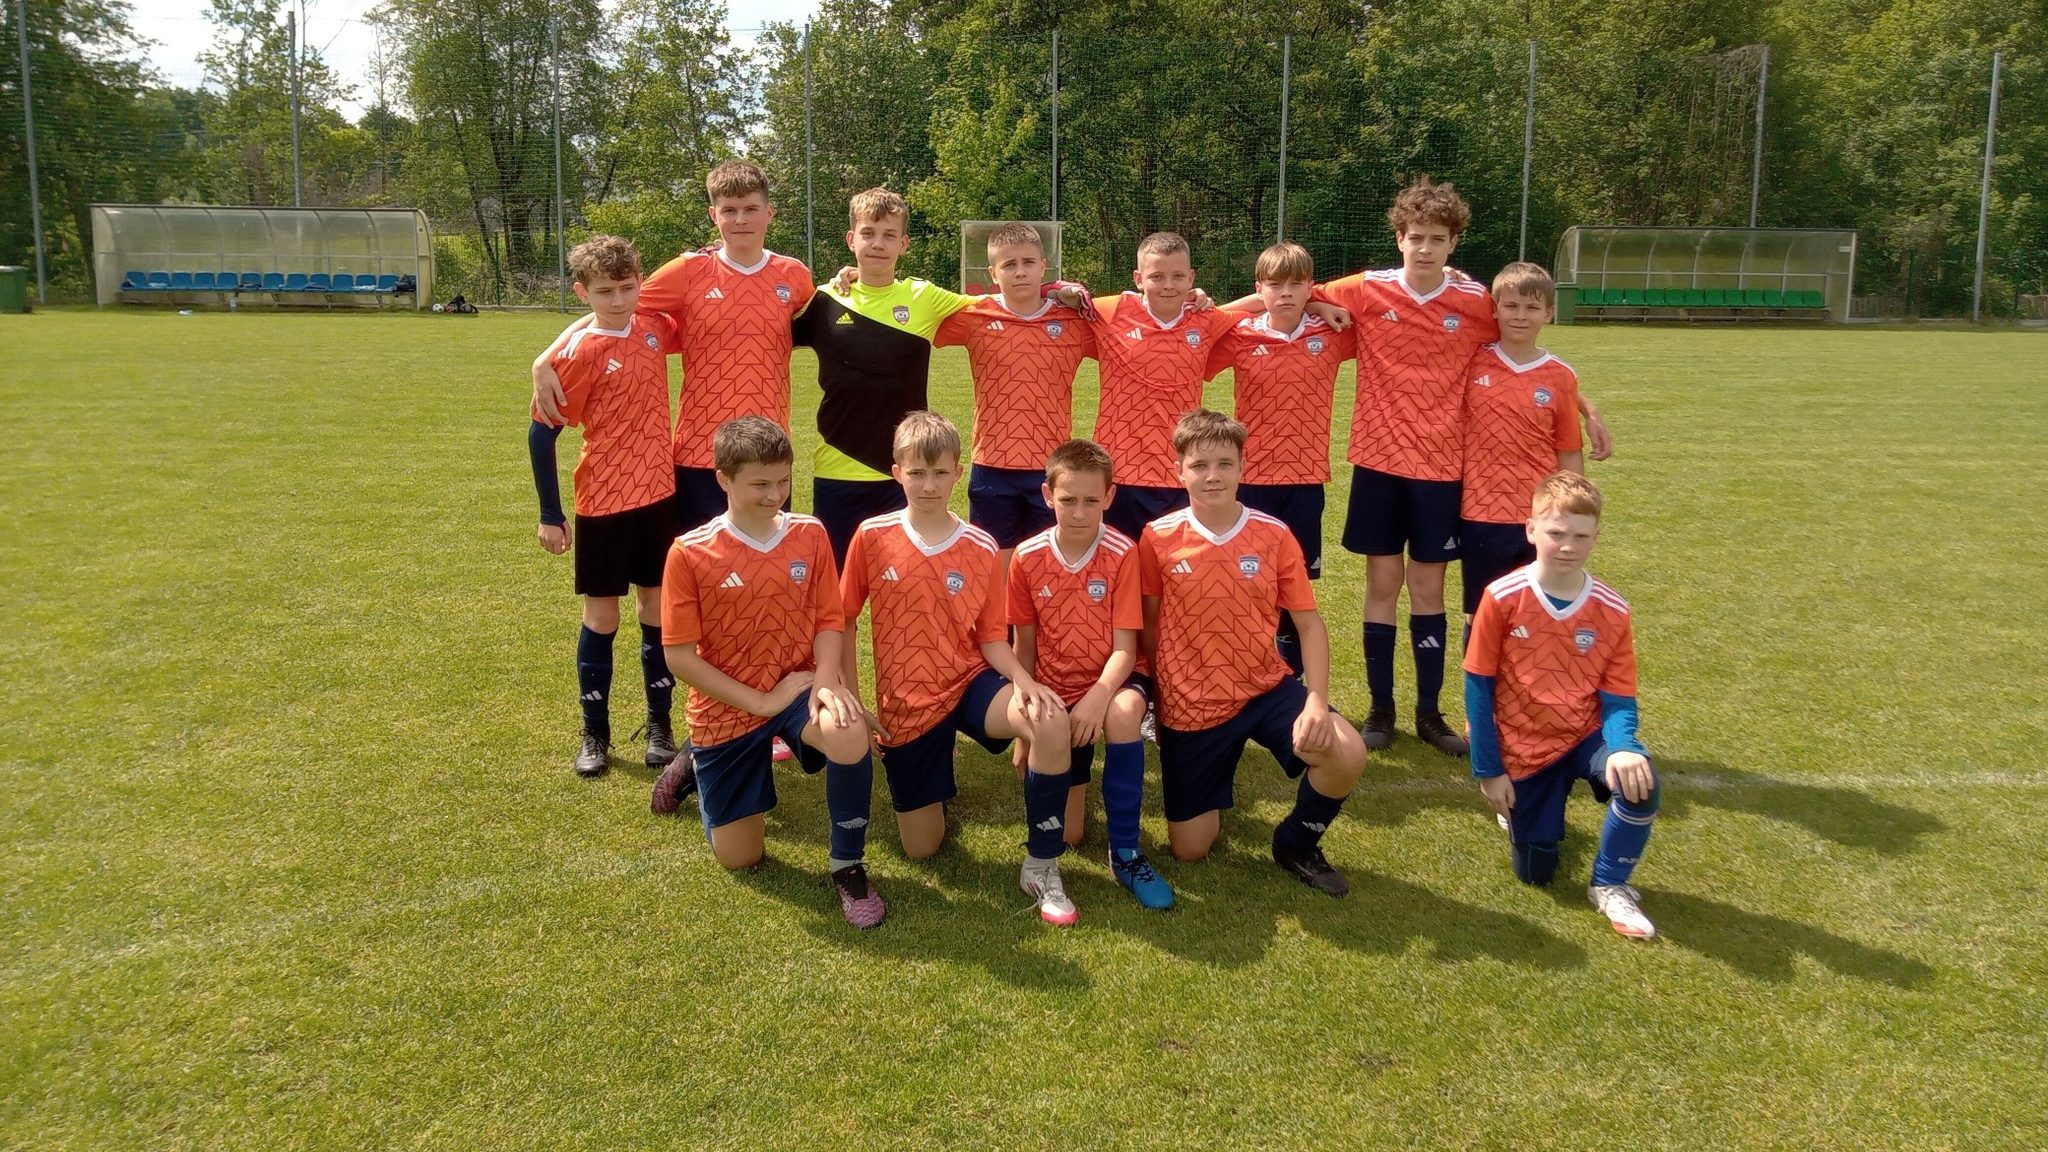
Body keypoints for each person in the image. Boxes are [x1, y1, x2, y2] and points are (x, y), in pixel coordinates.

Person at [1291, 178, 1610, 756]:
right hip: (1378, 463)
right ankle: (1381, 709)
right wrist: (1318, 304)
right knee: (1382, 584)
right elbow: (1289, 291)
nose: (1425, 248)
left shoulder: (1474, 301)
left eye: (1437, 239)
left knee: (1428, 587)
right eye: (1416, 237)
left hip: (1441, 470)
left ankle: (1431, 712)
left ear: (1453, 243)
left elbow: (1527, 356)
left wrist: (1585, 409)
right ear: (1399, 238)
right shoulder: (1367, 289)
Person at [839, 412, 1080, 924]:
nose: (929, 485)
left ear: (958, 472)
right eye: (917, 473)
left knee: (1049, 718)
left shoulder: (981, 546)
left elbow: (991, 638)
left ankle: (1041, 863)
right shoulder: (872, 536)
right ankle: (932, 778)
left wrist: (1025, 681)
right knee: (922, 848)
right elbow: (843, 619)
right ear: (896, 472)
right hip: (907, 706)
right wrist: (853, 699)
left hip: (969, 682)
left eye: (940, 473)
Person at [651, 418, 885, 929]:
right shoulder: (690, 553)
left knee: (848, 730)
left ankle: (847, 865)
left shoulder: (810, 534)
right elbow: (680, 657)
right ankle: (693, 763)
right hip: (729, 706)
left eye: (783, 480)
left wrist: (825, 681)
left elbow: (829, 620)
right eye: (760, 483)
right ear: (723, 479)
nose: (775, 494)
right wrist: (760, 702)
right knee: (741, 857)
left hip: (798, 687)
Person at [1139, 410, 1369, 895]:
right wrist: (1160, 700)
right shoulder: (1157, 538)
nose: (1213, 476)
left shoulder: (1273, 534)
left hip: (1263, 688)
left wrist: (1315, 699)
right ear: (1179, 470)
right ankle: (1212, 782)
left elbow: (1309, 624)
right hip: (1192, 705)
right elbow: (1151, 625)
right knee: (1191, 848)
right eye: (1200, 465)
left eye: (1225, 463)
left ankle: (1296, 842)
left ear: (1243, 466)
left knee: (1346, 751)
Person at [532, 160, 816, 535]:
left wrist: (852, 276)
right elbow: (615, 308)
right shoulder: (687, 271)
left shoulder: (794, 275)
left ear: (769, 212)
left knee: (764, 558)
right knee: (698, 560)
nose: (740, 219)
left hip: (770, 451)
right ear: (713, 215)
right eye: (729, 210)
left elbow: (829, 316)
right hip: (700, 451)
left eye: (750, 209)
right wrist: (546, 357)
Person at [1465, 471, 1659, 938]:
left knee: (1641, 783)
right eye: (1556, 533)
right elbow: (1478, 686)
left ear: (1597, 537)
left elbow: (1619, 694)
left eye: (1581, 536)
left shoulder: (1613, 609)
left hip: (1583, 736)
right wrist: (1489, 770)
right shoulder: (1501, 598)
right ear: (1531, 530)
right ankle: (1519, 813)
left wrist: (1623, 746)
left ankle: (1609, 883)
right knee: (1537, 873)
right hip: (1523, 746)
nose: (1568, 546)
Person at [525, 235, 682, 777]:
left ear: (639, 283)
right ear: (582, 292)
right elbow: (541, 434)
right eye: (603, 292)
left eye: (626, 288)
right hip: (604, 501)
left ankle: (660, 726)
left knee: (656, 611)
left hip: (660, 495)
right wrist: (550, 514)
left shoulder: (653, 328)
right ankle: (595, 733)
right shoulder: (578, 354)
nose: (618, 301)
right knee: (602, 615)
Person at [1006, 439, 1175, 910]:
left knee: (1123, 714)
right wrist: (1026, 734)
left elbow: (1126, 649)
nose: (1079, 512)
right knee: (1070, 834)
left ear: (1110, 496)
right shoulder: (1026, 557)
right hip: (1056, 690)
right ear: (1047, 495)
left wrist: (1099, 696)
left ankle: (1126, 853)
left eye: (1091, 500)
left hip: (1114, 680)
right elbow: (1025, 648)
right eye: (1068, 500)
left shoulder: (1123, 552)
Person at [794, 188, 977, 563]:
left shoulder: (925, 298)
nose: (878, 243)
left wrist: (1051, 290)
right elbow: (767, 326)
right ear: (851, 239)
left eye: (889, 235)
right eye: (868, 233)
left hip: (905, 474)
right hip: (836, 471)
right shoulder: (825, 300)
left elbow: (1001, 305)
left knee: (903, 582)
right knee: (837, 587)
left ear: (904, 244)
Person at [1206, 241, 1356, 674]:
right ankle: (1243, 670)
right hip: (1252, 480)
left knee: (1296, 587)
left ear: (1310, 286)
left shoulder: (1331, 333)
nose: (1285, 293)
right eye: (1274, 285)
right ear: (1259, 289)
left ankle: (1291, 681)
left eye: (1296, 284)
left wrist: (1322, 304)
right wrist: (1253, 306)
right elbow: (1206, 323)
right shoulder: (1241, 334)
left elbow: (1370, 314)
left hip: (1306, 480)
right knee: (1247, 579)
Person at [935, 223, 1097, 569]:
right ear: (993, 273)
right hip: (992, 465)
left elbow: (1128, 317)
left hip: (1051, 467)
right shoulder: (975, 315)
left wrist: (1065, 290)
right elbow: (910, 312)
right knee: (995, 571)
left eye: (1028, 262)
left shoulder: (1074, 322)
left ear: (1044, 266)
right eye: (1009, 264)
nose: (1020, 271)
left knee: (1046, 568)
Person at [1082, 232, 1245, 540]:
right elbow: (1056, 299)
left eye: (1178, 276)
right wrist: (1056, 288)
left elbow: (1264, 304)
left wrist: (1318, 307)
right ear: (1138, 279)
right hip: (1120, 471)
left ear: (1191, 278)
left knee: (1176, 564)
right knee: (1121, 561)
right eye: (1157, 276)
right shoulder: (1112, 310)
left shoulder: (1206, 319)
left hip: (1182, 471)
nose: (1168, 285)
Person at [1459, 262, 1586, 631]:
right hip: (1481, 511)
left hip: (1541, 514)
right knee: (1482, 612)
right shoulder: (1472, 361)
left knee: (1537, 609)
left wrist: (1571, 511)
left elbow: (1568, 450)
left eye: (1532, 308)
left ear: (1548, 313)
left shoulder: (1560, 375)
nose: (1520, 315)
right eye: (1511, 306)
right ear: (1494, 309)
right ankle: (1478, 673)